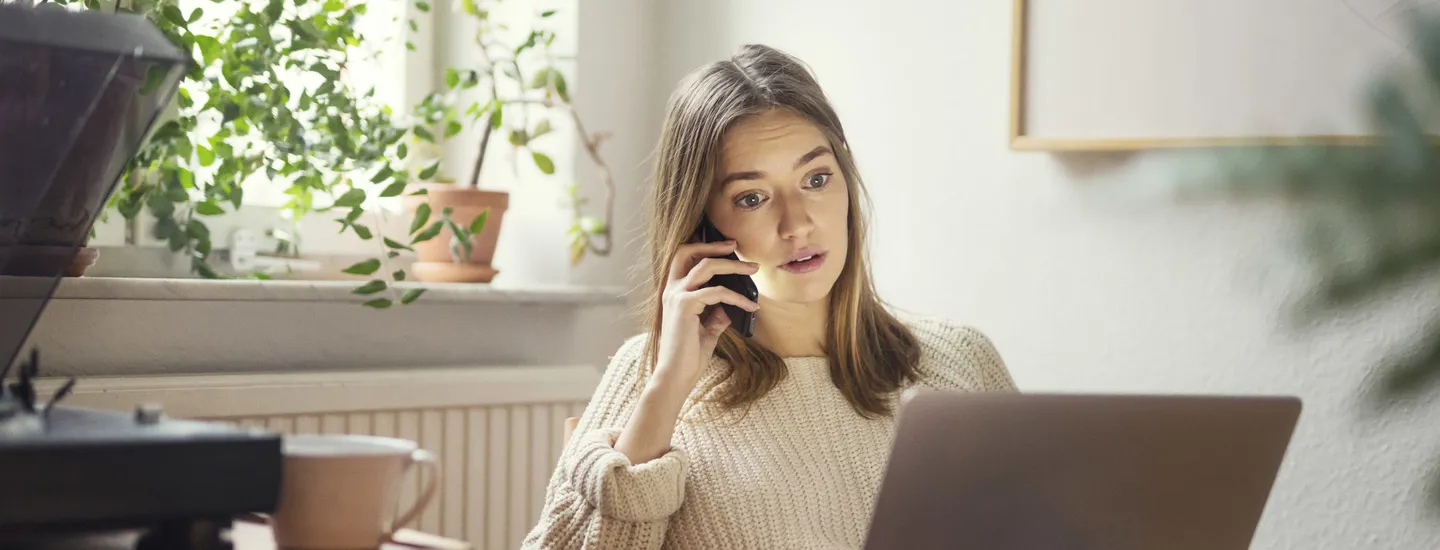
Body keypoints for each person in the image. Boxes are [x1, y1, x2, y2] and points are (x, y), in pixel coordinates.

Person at [521, 43, 1017, 549]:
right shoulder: (649, 374)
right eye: (752, 198)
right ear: (703, 223)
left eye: (816, 179)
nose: (797, 224)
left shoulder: (959, 361)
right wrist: (668, 387)